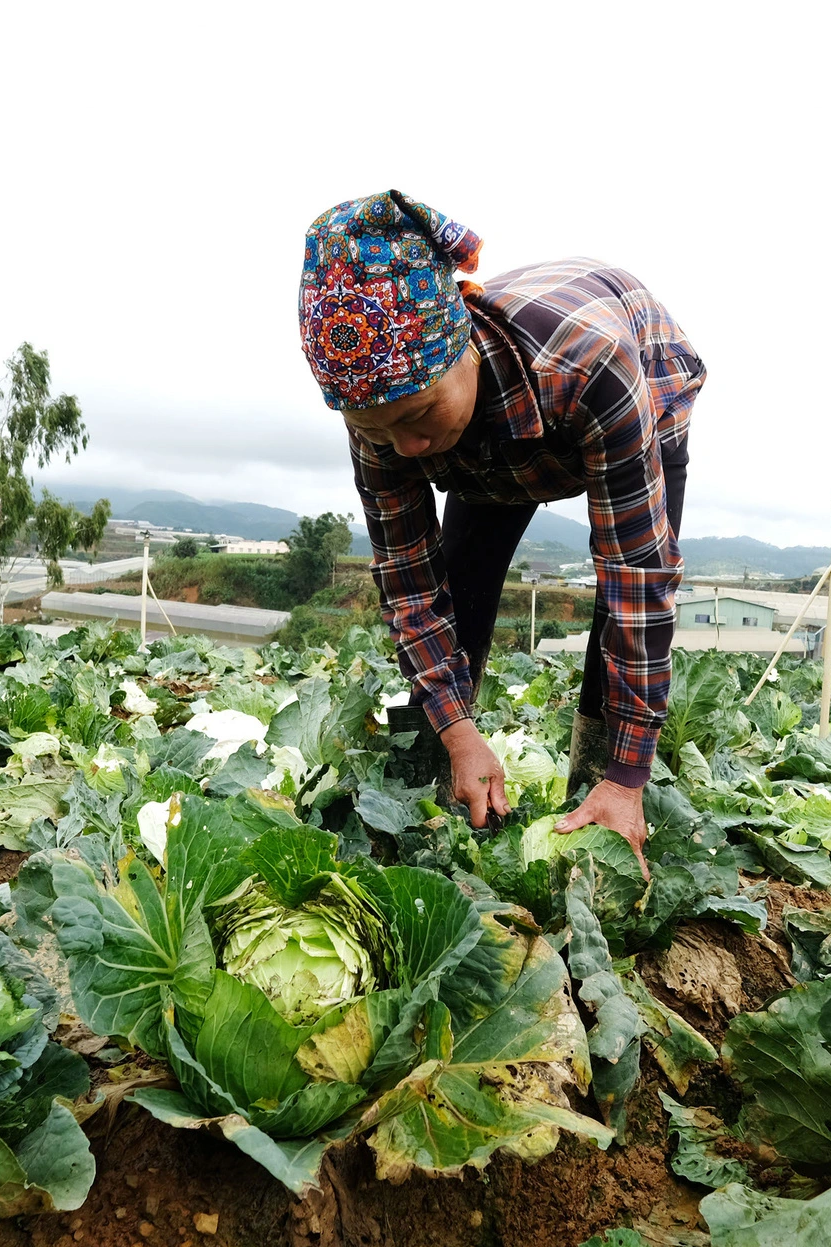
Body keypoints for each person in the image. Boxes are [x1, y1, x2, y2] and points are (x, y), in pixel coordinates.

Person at [297, 191, 705, 873]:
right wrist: (457, 731)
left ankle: (602, 806)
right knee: (458, 589)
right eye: (378, 429)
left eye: (420, 413)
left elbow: (636, 581)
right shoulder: (386, 420)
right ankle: (448, 776)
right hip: (495, 427)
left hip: (627, 382)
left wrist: (627, 774)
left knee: (619, 613)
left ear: (461, 343)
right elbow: (408, 584)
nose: (407, 445)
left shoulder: (590, 367)